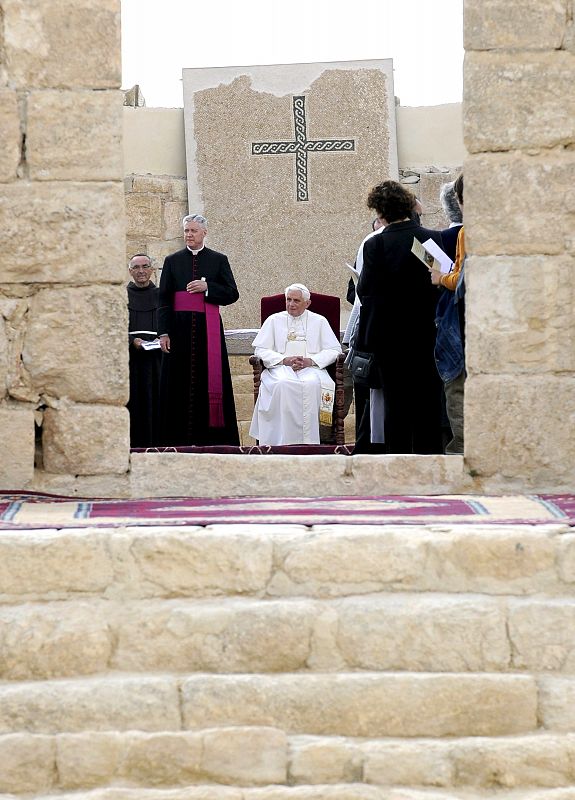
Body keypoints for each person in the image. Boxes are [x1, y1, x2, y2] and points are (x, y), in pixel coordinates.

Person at [356, 180, 444, 454]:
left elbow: (366, 291)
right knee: (429, 401)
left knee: (397, 405)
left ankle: (400, 462)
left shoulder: (377, 245)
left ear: (380, 212)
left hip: (389, 339)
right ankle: (431, 460)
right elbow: (439, 282)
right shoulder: (428, 240)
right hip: (426, 333)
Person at [158, 214, 240, 446]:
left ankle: (212, 440)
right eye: (186, 231)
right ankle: (175, 439)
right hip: (178, 331)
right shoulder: (172, 260)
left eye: (193, 231)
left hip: (208, 333)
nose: (189, 235)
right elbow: (163, 299)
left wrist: (208, 288)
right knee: (178, 385)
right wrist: (163, 333)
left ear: (204, 232)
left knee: (208, 383)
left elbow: (232, 293)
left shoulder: (218, 260)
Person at [249, 283, 342, 445]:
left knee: (312, 384)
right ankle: (281, 442)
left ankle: (309, 443)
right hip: (280, 368)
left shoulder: (319, 321)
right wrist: (283, 360)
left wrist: (310, 361)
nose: (291, 304)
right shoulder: (273, 320)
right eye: (288, 299)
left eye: (296, 301)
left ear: (307, 303)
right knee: (283, 384)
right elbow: (261, 349)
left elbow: (334, 350)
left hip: (312, 369)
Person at [430, 173, 465, 454]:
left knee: (457, 387)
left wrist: (441, 277)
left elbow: (461, 279)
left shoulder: (462, 233)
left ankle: (460, 450)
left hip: (458, 319)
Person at [127, 254, 161, 448]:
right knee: (134, 402)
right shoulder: (122, 295)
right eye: (136, 267)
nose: (141, 271)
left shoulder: (161, 295)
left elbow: (169, 322)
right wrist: (132, 341)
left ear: (152, 270)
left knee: (156, 401)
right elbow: (115, 325)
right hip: (131, 361)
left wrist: (163, 336)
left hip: (156, 360)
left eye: (145, 266)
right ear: (130, 271)